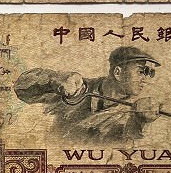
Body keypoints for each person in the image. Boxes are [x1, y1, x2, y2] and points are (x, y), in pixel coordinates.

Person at [13, 45, 162, 144]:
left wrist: (141, 121)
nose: (146, 80)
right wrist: (54, 80)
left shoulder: (136, 113)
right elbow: (21, 88)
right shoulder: (77, 89)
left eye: (150, 73)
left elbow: (128, 143)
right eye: (141, 71)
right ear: (118, 72)